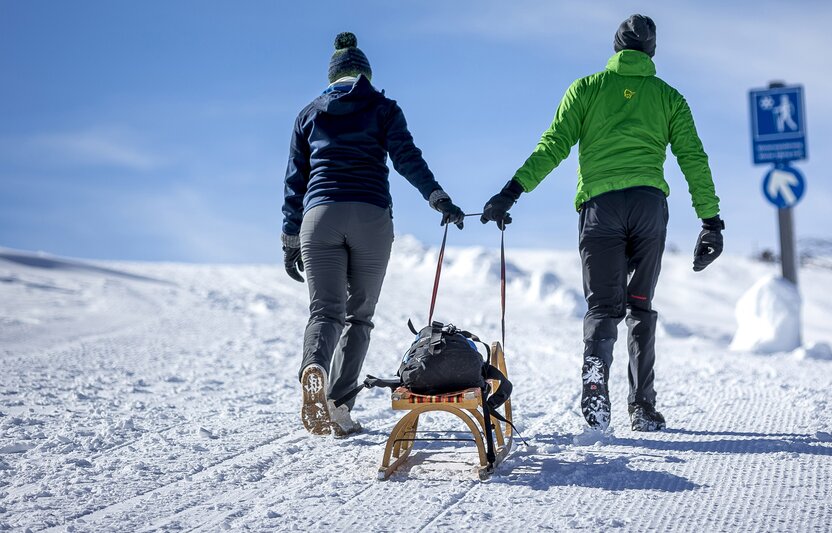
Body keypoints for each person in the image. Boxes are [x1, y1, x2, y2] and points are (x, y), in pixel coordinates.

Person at [480, 14, 724, 432]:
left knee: (602, 307)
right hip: (648, 208)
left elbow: (553, 144)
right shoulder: (670, 98)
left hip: (600, 209)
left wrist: (511, 191)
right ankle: (643, 407)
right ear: (651, 51)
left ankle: (595, 384)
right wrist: (711, 220)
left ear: (615, 48)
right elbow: (693, 160)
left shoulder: (587, 89)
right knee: (641, 306)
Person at [281, 32, 465, 437]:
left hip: (320, 216)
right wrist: (438, 198)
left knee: (324, 311)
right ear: (364, 72)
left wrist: (290, 238)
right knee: (358, 316)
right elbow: (407, 158)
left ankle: (314, 367)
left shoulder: (308, 114)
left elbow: (295, 181)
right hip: (370, 216)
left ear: (332, 77)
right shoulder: (383, 108)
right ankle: (339, 405)